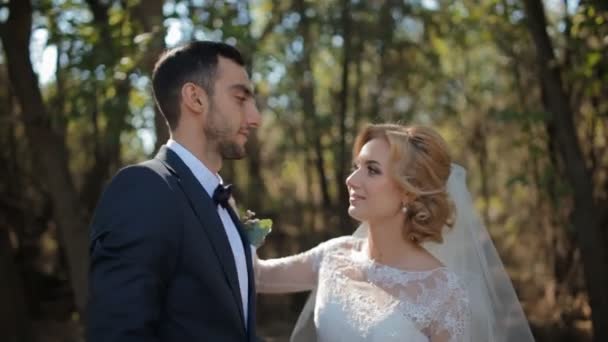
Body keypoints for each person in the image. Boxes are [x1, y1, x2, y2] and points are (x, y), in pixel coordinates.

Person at [254, 124, 536, 342]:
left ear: (408, 191)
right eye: (356, 168)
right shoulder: (333, 254)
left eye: (372, 170)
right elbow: (257, 276)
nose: (351, 180)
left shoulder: (444, 293)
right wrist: (236, 222)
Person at [88, 41, 261, 342]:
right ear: (195, 98)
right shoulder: (144, 188)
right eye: (240, 99)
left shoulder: (222, 200)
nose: (255, 117)